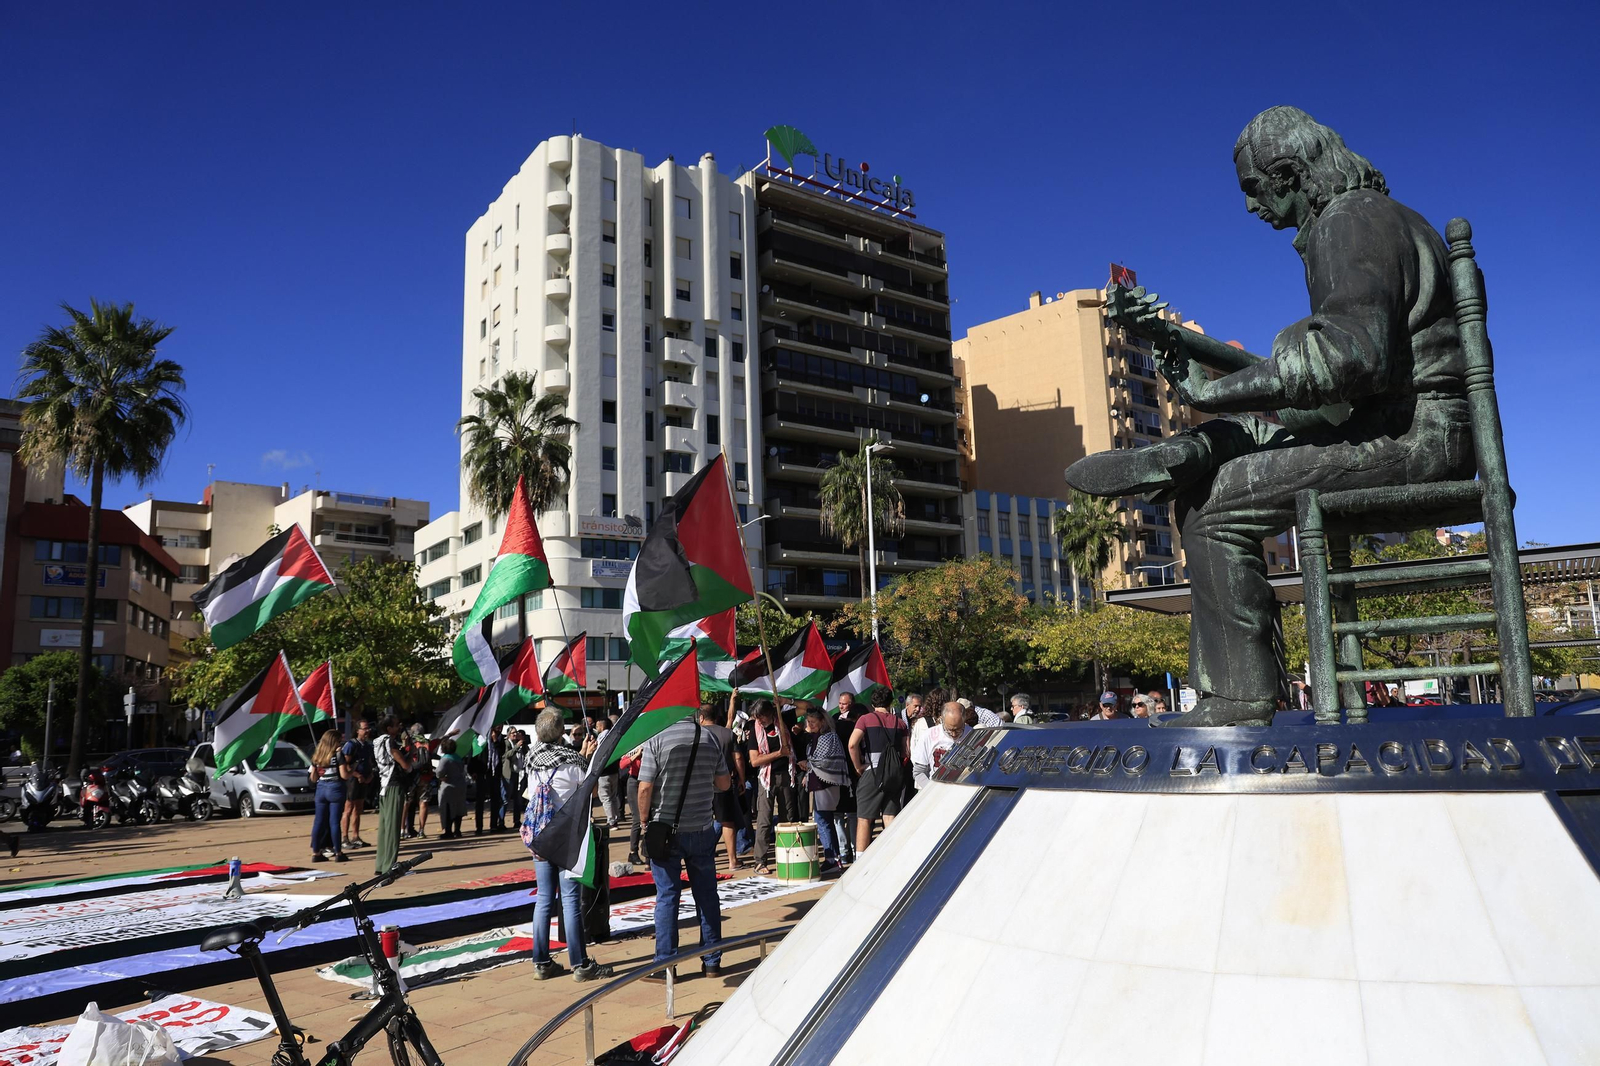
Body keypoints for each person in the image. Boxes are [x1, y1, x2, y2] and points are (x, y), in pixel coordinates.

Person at [1067, 107, 1471, 726]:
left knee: (1210, 509)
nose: (1251, 207)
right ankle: (1196, 449)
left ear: (1288, 173)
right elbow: (1341, 374)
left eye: (1253, 189)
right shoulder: (1382, 219)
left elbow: (1345, 359)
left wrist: (1213, 394)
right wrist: (1222, 383)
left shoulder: (1349, 224)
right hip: (1401, 422)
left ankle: (1240, 693)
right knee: (1257, 431)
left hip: (1416, 436)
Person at [638, 711, 730, 980]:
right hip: (701, 827)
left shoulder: (656, 738)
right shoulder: (709, 738)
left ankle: (666, 964)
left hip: (664, 830)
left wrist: (644, 822)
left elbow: (644, 788)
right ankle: (712, 959)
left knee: (668, 895)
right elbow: (724, 783)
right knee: (707, 895)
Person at [523, 710, 613, 982]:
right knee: (571, 900)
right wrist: (586, 759)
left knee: (543, 899)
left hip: (539, 838)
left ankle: (541, 962)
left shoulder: (532, 760)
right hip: (566, 839)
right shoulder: (572, 761)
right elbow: (590, 793)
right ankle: (580, 963)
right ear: (561, 731)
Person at [849, 693, 908, 855]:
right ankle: (894, 856)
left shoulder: (865, 719)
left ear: (872, 703)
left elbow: (852, 744)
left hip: (872, 773)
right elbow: (906, 751)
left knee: (864, 819)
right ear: (890, 702)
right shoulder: (901, 723)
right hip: (894, 775)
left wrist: (858, 766)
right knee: (890, 817)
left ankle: (860, 861)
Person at [745, 701, 796, 876]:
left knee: (786, 818)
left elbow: (808, 708)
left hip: (786, 776)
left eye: (762, 716)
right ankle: (760, 861)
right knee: (764, 821)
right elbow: (754, 760)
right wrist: (778, 754)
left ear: (771, 713)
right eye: (757, 717)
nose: (759, 720)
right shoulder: (756, 730)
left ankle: (787, 855)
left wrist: (787, 702)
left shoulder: (783, 720)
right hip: (766, 779)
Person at [799, 708, 850, 868]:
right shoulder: (816, 737)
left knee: (823, 820)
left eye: (813, 722)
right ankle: (833, 857)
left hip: (826, 783)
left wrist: (808, 764)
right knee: (823, 820)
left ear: (822, 721)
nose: (810, 725)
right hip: (818, 782)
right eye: (808, 722)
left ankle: (832, 859)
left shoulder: (829, 737)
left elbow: (824, 761)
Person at [699, 703, 745, 870]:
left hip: (700, 785)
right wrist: (741, 779)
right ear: (717, 717)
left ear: (701, 717)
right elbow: (738, 758)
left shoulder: (697, 733)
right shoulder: (728, 734)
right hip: (723, 783)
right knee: (727, 822)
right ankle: (732, 861)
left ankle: (703, 860)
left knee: (701, 824)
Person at [372, 715, 415, 875]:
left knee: (384, 827)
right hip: (394, 785)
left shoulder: (377, 741)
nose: (399, 727)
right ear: (389, 728)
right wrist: (410, 756)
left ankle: (381, 864)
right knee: (393, 827)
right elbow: (404, 765)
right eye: (396, 725)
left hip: (383, 785)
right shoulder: (390, 742)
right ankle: (389, 865)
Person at [309, 729, 350, 863]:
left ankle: (316, 853)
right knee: (334, 822)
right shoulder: (338, 754)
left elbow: (313, 778)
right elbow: (344, 775)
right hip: (335, 788)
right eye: (339, 740)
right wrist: (353, 769)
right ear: (335, 741)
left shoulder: (317, 755)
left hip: (321, 789)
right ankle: (338, 852)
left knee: (318, 822)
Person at [912, 702, 971, 791]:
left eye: (958, 729)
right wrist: (930, 791)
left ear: (964, 720)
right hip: (936, 789)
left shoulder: (972, 734)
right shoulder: (929, 736)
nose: (954, 734)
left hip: (963, 790)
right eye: (950, 730)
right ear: (942, 720)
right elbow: (919, 772)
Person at [340, 719, 374, 848]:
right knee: (348, 809)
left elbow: (369, 762)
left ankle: (356, 836)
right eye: (365, 729)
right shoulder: (351, 745)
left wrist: (370, 775)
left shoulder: (368, 745)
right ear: (357, 730)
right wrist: (357, 775)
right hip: (352, 781)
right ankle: (344, 838)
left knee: (358, 809)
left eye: (368, 728)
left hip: (364, 780)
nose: (367, 731)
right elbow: (345, 765)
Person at [594, 717, 624, 827]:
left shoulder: (601, 737)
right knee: (613, 796)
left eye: (597, 726)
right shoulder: (614, 735)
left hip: (604, 772)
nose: (596, 728)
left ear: (601, 726)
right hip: (614, 770)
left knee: (605, 797)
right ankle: (616, 816)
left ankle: (612, 821)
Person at [435, 738, 467, 839]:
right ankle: (457, 830)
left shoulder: (445, 759)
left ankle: (448, 831)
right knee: (458, 808)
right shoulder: (458, 757)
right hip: (460, 785)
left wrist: (441, 777)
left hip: (448, 787)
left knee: (447, 808)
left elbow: (439, 772)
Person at [621, 746, 645, 865]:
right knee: (637, 819)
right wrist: (636, 754)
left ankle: (647, 852)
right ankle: (633, 852)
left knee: (649, 818)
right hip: (634, 782)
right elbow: (622, 765)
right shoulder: (634, 747)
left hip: (647, 781)